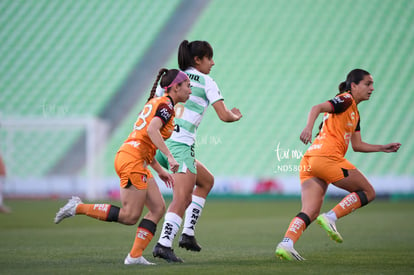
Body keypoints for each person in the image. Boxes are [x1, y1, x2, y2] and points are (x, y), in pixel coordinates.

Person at [54, 68, 191, 265]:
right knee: (129, 216)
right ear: (175, 87)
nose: (190, 90)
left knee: (158, 208)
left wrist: (160, 170)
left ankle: (134, 256)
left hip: (134, 157)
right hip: (132, 160)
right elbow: (152, 130)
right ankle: (77, 207)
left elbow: (146, 139)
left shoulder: (158, 103)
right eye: (187, 85)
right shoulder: (166, 106)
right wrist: (169, 157)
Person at [275, 69, 401, 261]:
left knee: (309, 210)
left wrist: (382, 148)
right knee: (368, 192)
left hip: (311, 160)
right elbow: (316, 107)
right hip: (327, 157)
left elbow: (357, 145)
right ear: (353, 85)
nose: (372, 88)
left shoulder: (354, 113)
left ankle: (286, 243)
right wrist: (308, 127)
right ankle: (331, 217)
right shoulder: (346, 99)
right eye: (368, 84)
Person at [152, 40, 242, 263]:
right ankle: (163, 244)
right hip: (180, 146)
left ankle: (188, 234)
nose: (213, 63)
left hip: (161, 146)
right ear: (197, 60)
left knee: (206, 181)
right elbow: (223, 115)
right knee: (181, 197)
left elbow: (152, 109)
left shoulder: (171, 78)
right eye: (209, 58)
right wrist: (235, 115)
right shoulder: (206, 81)